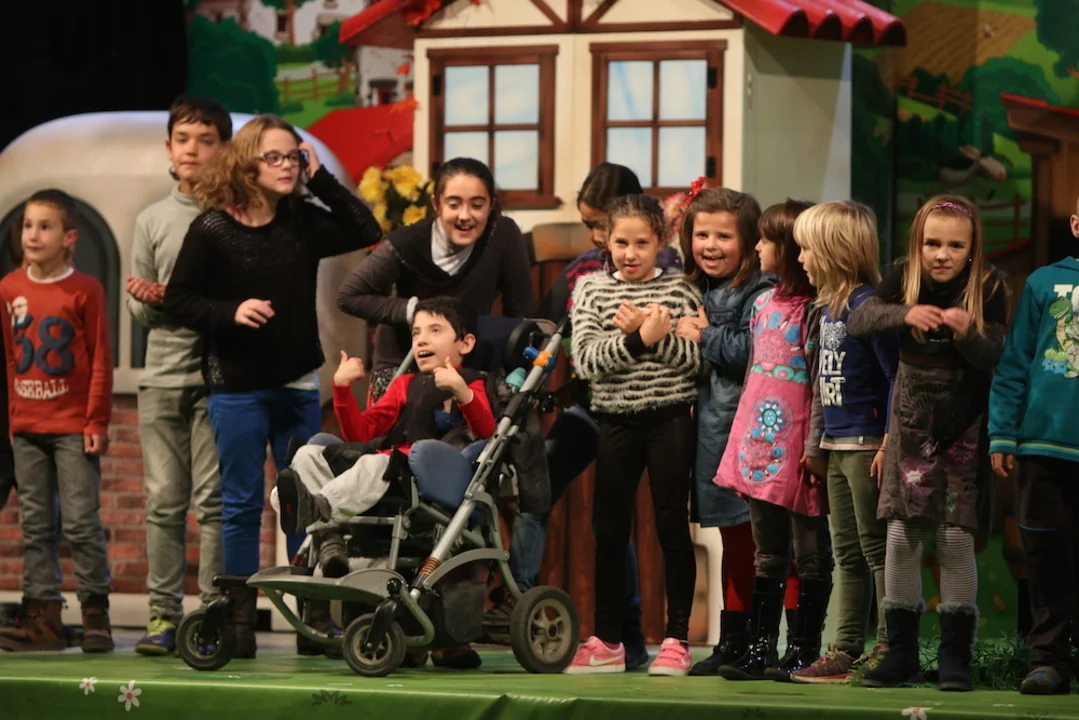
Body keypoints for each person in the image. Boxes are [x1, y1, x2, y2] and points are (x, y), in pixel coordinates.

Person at [164, 114, 383, 660]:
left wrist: (322, 176)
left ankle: (312, 619)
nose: (287, 166)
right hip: (236, 385)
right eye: (275, 157)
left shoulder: (301, 222)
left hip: (295, 382)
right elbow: (179, 299)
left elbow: (365, 229)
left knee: (305, 501)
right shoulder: (212, 229)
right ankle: (239, 623)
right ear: (247, 162)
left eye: (294, 156)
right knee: (241, 504)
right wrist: (229, 311)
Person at [510, 162, 681, 670]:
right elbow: (547, 330)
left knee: (628, 522)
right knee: (541, 487)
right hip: (588, 406)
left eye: (600, 225)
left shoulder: (669, 273)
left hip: (648, 413)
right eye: (593, 227)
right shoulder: (583, 271)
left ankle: (633, 637)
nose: (598, 237)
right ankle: (517, 598)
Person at [848, 195, 1006, 692]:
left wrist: (966, 334)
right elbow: (859, 319)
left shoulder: (988, 284)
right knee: (902, 534)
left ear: (972, 247)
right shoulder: (903, 277)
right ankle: (900, 654)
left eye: (955, 246)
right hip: (911, 423)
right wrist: (905, 314)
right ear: (917, 243)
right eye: (932, 243)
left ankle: (955, 656)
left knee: (955, 537)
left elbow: (993, 353)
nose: (942, 254)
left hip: (963, 426)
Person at [564, 194, 703, 676]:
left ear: (660, 241)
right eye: (621, 242)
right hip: (615, 420)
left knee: (671, 527)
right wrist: (644, 337)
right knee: (608, 530)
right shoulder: (591, 288)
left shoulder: (681, 289)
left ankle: (677, 639)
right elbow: (587, 360)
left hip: (670, 418)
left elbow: (696, 363)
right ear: (606, 240)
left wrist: (649, 335)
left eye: (642, 243)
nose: (630, 253)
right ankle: (608, 641)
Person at [126, 96, 232, 656]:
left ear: (224, 149)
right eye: (183, 139)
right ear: (169, 148)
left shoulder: (235, 217)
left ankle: (212, 614)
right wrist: (152, 301)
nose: (193, 150)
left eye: (205, 140)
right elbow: (137, 307)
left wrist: (181, 299)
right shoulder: (152, 219)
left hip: (219, 379)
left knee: (213, 503)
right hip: (162, 377)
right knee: (164, 503)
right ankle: (162, 615)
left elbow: (238, 303)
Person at [713, 199, 832, 682]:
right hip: (759, 443)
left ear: (789, 248)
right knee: (767, 549)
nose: (757, 247)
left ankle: (803, 649)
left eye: (765, 240)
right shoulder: (762, 304)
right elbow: (753, 376)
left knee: (809, 549)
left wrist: (815, 447)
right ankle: (760, 647)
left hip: (799, 448)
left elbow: (820, 383)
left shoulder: (816, 311)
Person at [0, 190, 114, 653]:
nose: (33, 235)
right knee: (35, 524)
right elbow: (11, 358)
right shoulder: (9, 288)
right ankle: (42, 615)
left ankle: (95, 614)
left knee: (82, 521)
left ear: (69, 238)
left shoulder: (85, 289)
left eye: (45, 226)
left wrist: (96, 422)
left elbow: (100, 358)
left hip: (72, 428)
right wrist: (14, 417)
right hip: (27, 427)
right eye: (28, 225)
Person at [275, 296, 495, 535]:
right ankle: (327, 535)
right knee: (307, 455)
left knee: (375, 463)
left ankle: (319, 507)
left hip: (424, 473)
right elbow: (360, 434)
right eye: (416, 333)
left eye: (435, 330)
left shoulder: (471, 383)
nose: (421, 340)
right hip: (383, 466)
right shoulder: (404, 383)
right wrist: (342, 389)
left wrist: (461, 391)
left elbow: (486, 431)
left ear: (465, 344)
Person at [790, 201, 898, 683]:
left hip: (866, 445)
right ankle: (846, 647)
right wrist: (817, 444)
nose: (801, 259)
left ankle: (891, 645)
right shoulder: (828, 310)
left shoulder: (866, 307)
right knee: (848, 552)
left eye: (807, 249)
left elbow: (895, 376)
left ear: (834, 250)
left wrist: (888, 442)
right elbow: (820, 384)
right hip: (836, 445)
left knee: (877, 550)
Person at [672, 185, 776, 676]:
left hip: (747, 429)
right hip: (712, 429)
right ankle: (731, 640)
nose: (710, 246)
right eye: (702, 235)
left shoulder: (760, 290)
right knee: (730, 538)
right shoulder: (699, 289)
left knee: (753, 538)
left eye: (723, 236)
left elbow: (755, 349)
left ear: (750, 240)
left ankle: (758, 641)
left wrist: (704, 334)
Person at [337, 157, 534, 401]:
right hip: (402, 363)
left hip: (465, 361)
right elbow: (349, 296)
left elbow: (521, 312)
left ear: (491, 204)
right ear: (436, 204)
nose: (465, 215)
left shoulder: (503, 235)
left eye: (477, 205)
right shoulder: (406, 242)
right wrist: (417, 312)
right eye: (454, 204)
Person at [988, 197, 1079, 695]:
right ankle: (1048, 659)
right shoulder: (1045, 282)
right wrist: (1003, 432)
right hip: (1046, 444)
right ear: (1076, 225)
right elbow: (1016, 360)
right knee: (1045, 553)